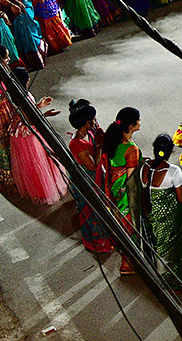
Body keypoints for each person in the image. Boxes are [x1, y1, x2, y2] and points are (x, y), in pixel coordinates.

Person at [138, 134, 182, 290]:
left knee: (159, 246)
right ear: (171, 151)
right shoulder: (173, 171)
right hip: (170, 219)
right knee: (173, 249)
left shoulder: (145, 167)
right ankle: (170, 282)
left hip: (151, 214)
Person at [66, 101, 112, 253]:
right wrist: (99, 146)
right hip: (87, 181)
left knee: (101, 209)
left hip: (96, 178)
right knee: (92, 213)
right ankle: (97, 243)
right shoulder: (77, 143)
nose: (95, 122)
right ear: (86, 123)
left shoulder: (89, 134)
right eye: (93, 120)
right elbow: (92, 165)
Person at [102, 108, 143, 274]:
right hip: (126, 196)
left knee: (121, 227)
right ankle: (127, 264)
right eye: (138, 121)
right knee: (131, 227)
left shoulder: (113, 142)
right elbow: (131, 180)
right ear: (131, 125)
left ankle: (127, 260)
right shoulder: (131, 149)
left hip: (114, 192)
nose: (140, 123)